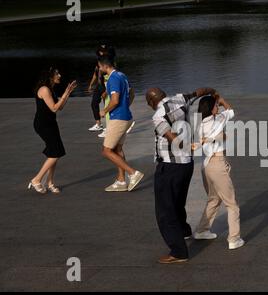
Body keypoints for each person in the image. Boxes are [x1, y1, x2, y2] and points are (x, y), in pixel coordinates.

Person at [146, 86, 218, 264]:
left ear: (151, 102)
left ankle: (178, 252)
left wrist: (186, 145)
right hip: (187, 164)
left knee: (165, 210)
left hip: (170, 166)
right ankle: (184, 231)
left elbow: (172, 138)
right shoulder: (179, 99)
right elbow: (199, 92)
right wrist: (212, 91)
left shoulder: (158, 115)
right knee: (178, 202)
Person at [193, 95, 245, 250]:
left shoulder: (199, 123)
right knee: (232, 204)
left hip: (206, 166)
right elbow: (231, 111)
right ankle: (234, 238)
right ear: (211, 109)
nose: (219, 107)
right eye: (216, 105)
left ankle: (202, 230)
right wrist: (222, 101)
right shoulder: (219, 119)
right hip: (217, 165)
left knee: (214, 199)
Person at [97, 55, 144, 192]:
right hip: (126, 116)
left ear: (105, 66)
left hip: (118, 118)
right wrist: (126, 106)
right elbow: (132, 93)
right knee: (117, 149)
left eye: (99, 66)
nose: (99, 69)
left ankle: (132, 173)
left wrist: (104, 111)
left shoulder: (112, 78)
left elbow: (115, 100)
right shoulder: (122, 75)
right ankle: (121, 181)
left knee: (106, 151)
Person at [28, 67, 77, 194]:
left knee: (55, 153)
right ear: (50, 76)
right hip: (43, 125)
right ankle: (37, 179)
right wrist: (66, 93)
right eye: (57, 74)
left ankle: (50, 182)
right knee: (55, 153)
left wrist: (67, 92)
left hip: (51, 124)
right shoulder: (44, 89)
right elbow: (54, 108)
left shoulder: (50, 89)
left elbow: (60, 107)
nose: (60, 75)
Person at [87, 45, 109, 132]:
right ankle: (98, 124)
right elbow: (95, 74)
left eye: (104, 51)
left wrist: (107, 91)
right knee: (94, 103)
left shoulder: (109, 61)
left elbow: (112, 76)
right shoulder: (98, 62)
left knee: (107, 105)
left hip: (107, 86)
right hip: (99, 86)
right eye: (101, 51)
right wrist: (90, 84)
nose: (102, 52)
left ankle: (111, 125)